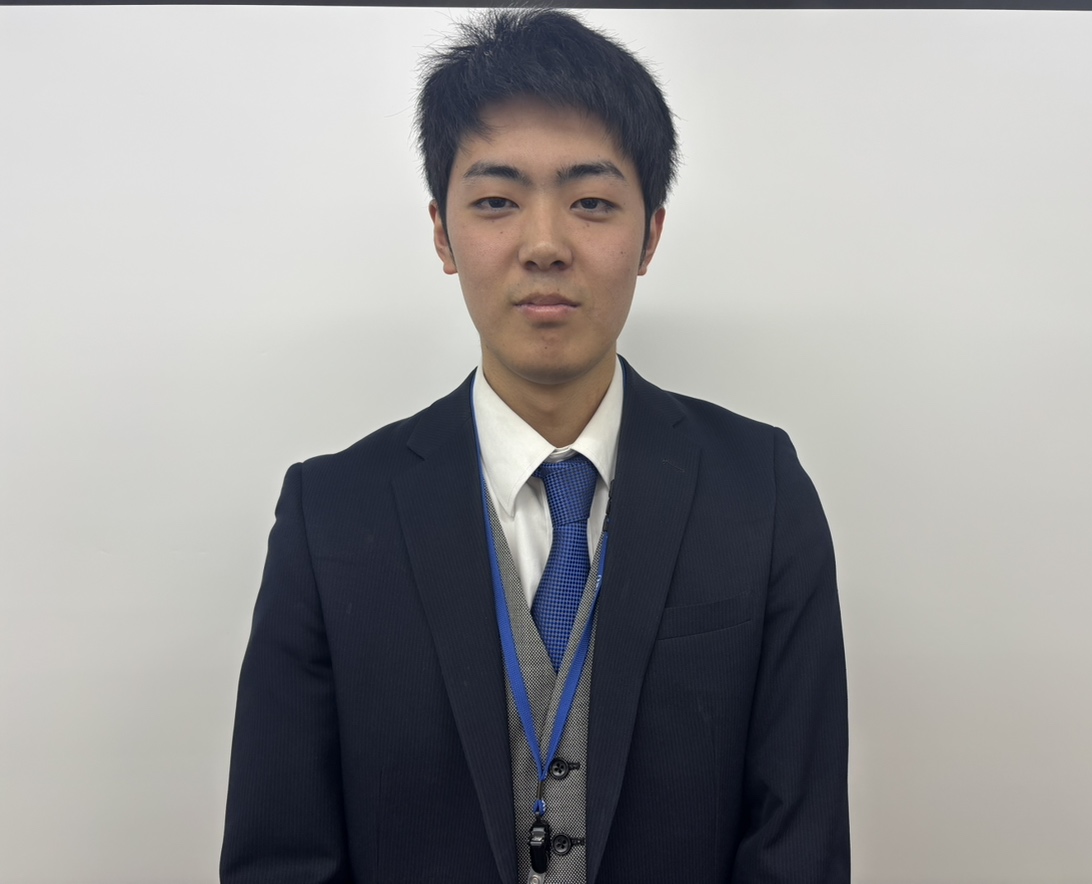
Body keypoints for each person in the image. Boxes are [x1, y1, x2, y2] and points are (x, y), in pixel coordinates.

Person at [220, 9, 848, 884]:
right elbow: (281, 855)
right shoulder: (331, 515)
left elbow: (798, 844)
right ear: (442, 233)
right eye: (495, 201)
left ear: (649, 235)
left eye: (591, 202)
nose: (545, 244)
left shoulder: (759, 490)